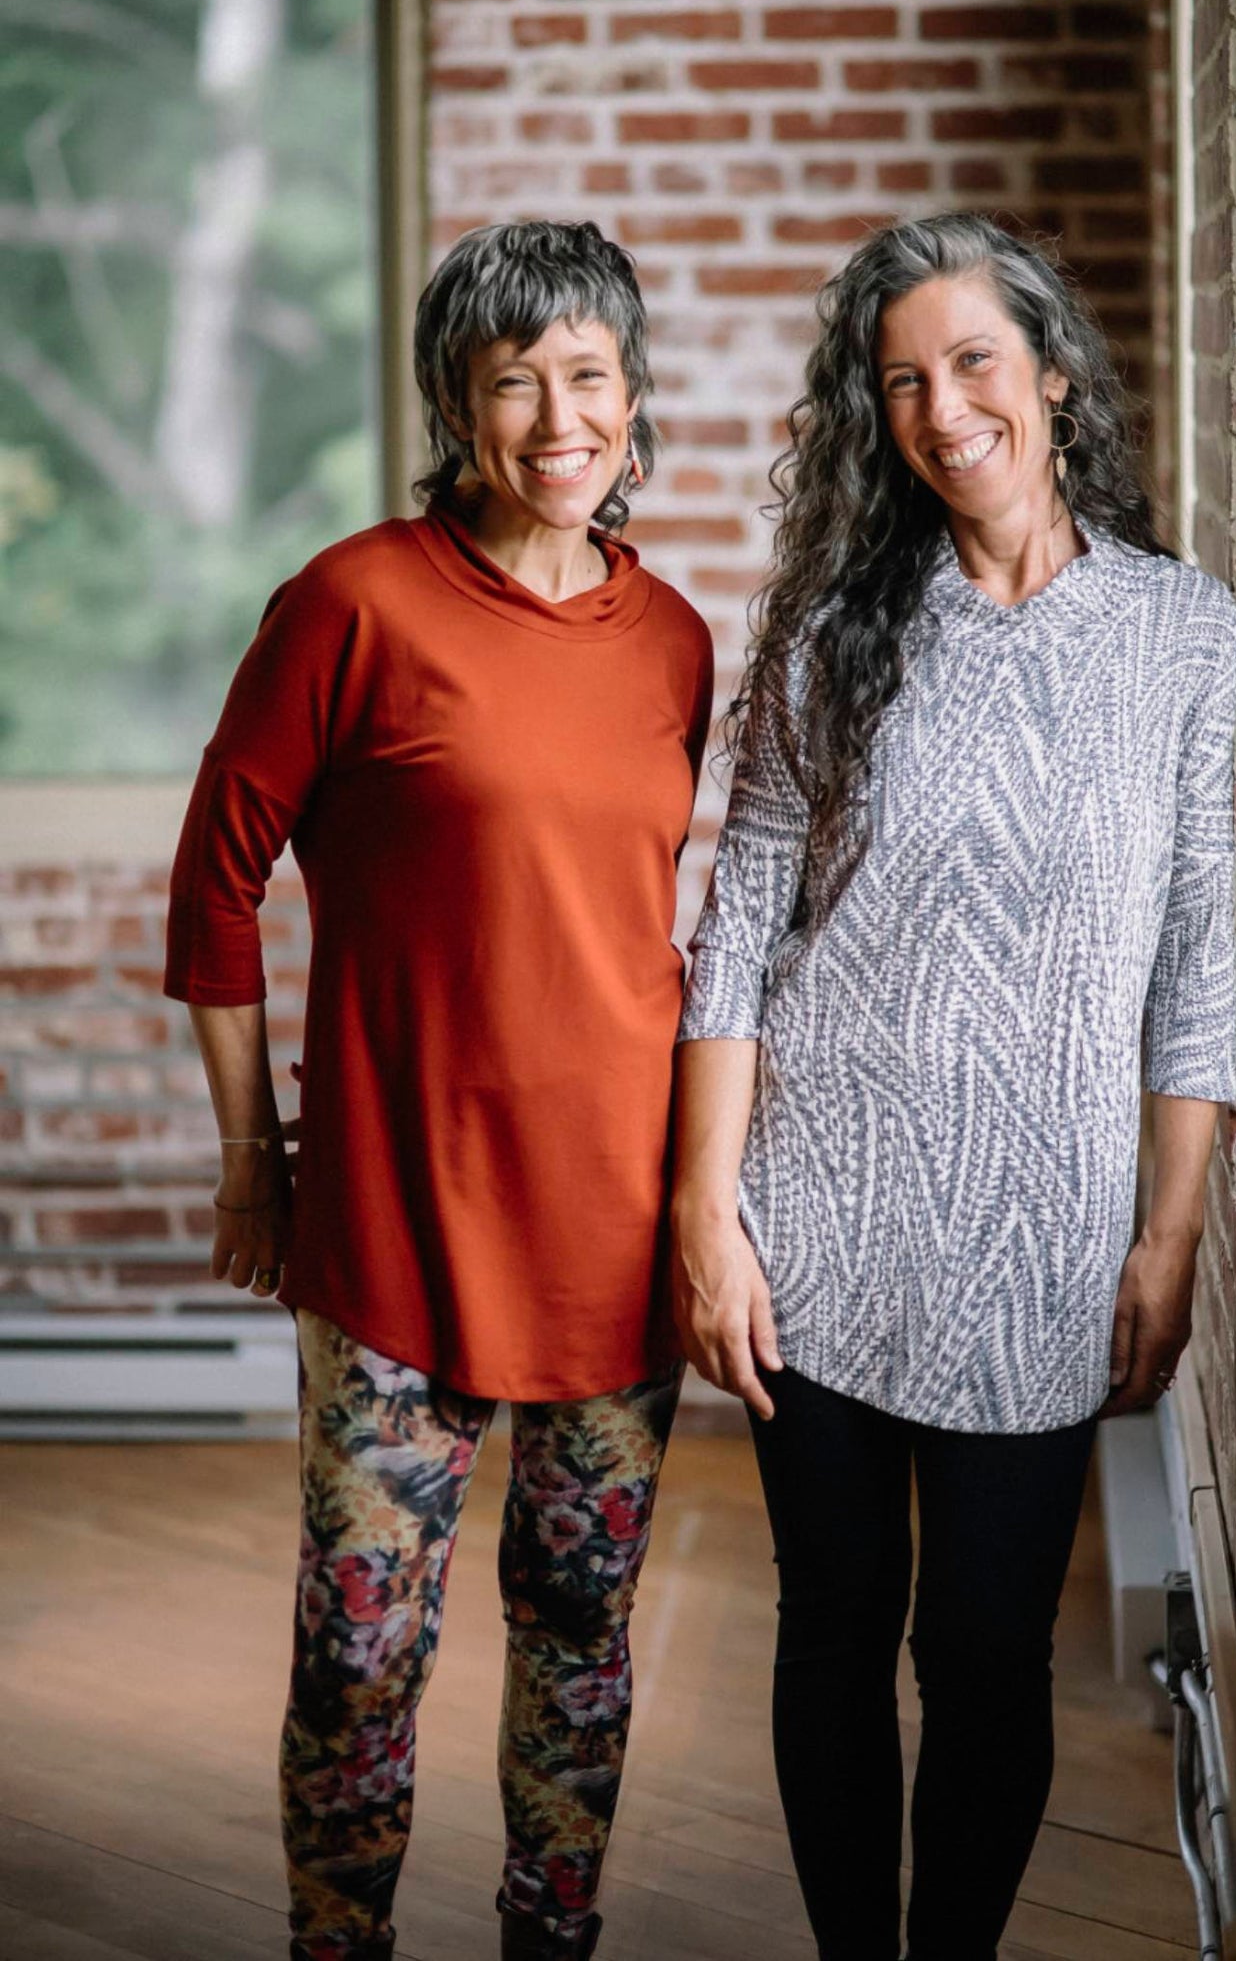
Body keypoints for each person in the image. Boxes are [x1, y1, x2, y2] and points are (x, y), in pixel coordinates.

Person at [670, 211, 1236, 1961]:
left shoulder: (1178, 632)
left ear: (1052, 376)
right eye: (899, 380)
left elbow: (1198, 956)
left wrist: (1168, 1235)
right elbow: (738, 926)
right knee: (835, 1626)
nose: (940, 407)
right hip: (817, 1211)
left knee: (987, 1656)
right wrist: (707, 1214)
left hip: (1051, 1237)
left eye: (972, 361)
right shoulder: (837, 625)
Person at [164, 220, 713, 1961]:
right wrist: (256, 1163)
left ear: (634, 404)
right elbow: (214, 882)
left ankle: (551, 1936)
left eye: (590, 376)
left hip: (612, 1238)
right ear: (454, 406)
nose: (558, 415)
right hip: (393, 1223)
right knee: (358, 1651)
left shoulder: (679, 641)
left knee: (580, 1638)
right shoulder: (354, 601)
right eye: (513, 381)